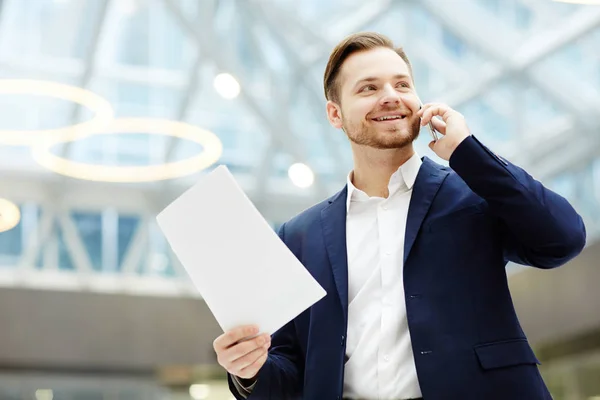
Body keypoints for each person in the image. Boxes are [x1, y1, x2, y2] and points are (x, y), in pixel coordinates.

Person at [212, 32, 587, 400]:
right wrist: (250, 370)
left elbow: (562, 239)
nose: (391, 96)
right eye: (369, 88)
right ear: (335, 114)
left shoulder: (474, 193)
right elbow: (292, 371)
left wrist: (467, 151)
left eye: (402, 85)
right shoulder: (299, 235)